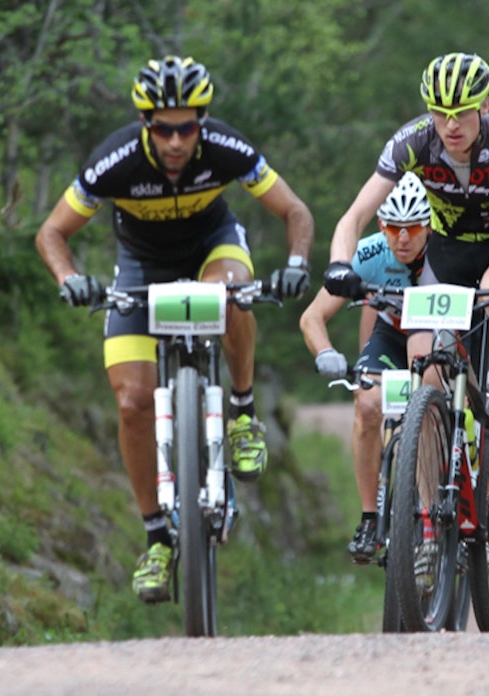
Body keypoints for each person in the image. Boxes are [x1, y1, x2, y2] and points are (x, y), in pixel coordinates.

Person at [35, 56, 314, 603]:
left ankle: (242, 412)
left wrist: (298, 265)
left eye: (187, 127)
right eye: (163, 128)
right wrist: (69, 278)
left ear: (201, 122)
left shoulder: (226, 148)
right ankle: (157, 540)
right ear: (145, 124)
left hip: (214, 248)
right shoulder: (113, 161)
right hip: (142, 266)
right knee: (134, 402)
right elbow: (52, 232)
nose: (177, 141)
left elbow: (296, 211)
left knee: (229, 294)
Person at [322, 52, 489, 483]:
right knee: (424, 371)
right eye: (440, 113)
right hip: (448, 252)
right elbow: (353, 218)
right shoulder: (414, 141)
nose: (451, 125)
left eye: (462, 112)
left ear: (484, 106)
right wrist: (338, 264)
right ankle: (424, 527)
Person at [300, 172, 430, 564]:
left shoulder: (449, 250)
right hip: (393, 336)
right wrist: (325, 352)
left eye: (412, 229)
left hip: (446, 338)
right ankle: (370, 518)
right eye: (393, 228)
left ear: (430, 226)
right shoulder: (372, 253)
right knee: (367, 406)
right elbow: (312, 317)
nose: (402, 238)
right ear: (380, 225)